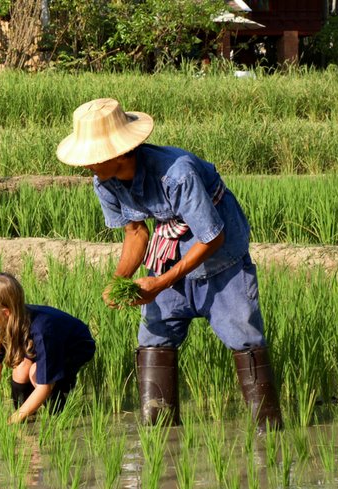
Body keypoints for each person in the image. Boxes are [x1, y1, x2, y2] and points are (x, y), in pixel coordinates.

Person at [55, 98, 283, 431]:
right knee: (153, 338)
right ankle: (159, 437)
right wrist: (120, 280)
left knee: (245, 339)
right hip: (170, 251)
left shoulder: (176, 173)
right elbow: (136, 232)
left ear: (118, 154)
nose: (86, 166)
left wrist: (160, 283)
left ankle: (270, 434)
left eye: (92, 158)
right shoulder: (104, 181)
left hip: (221, 257)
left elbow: (212, 237)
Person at [0, 273, 96, 426]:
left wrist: (9, 422)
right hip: (42, 344)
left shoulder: (42, 330)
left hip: (74, 346)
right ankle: (28, 418)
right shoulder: (0, 325)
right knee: (21, 370)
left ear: (5, 312)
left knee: (36, 373)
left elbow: (44, 386)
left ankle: (57, 418)